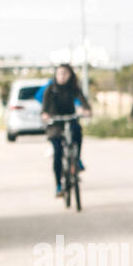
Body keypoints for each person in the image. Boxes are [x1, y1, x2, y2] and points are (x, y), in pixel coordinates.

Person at [41, 64, 91, 197]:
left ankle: (77, 160)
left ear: (70, 75)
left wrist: (86, 110)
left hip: (70, 118)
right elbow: (44, 109)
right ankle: (58, 185)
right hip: (55, 122)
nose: (62, 76)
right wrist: (46, 115)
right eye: (59, 74)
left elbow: (83, 101)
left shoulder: (73, 88)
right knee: (57, 151)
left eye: (65, 74)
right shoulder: (51, 89)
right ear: (56, 75)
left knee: (77, 132)